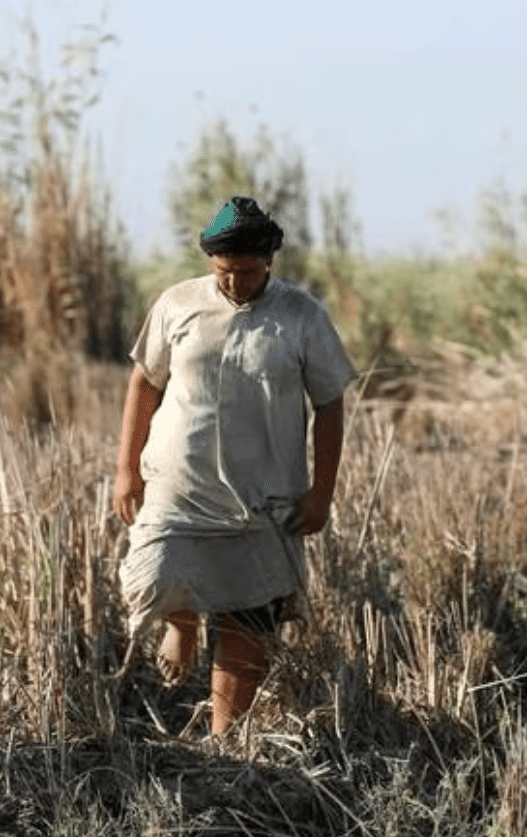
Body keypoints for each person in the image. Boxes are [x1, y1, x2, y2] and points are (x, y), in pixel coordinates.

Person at [114, 196, 358, 737]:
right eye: (225, 271)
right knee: (153, 575)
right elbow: (144, 382)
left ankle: (224, 739)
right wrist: (126, 470)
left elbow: (331, 404)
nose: (236, 283)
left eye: (248, 272)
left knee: (248, 618)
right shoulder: (177, 305)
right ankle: (182, 623)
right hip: (179, 484)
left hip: (262, 497)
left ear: (269, 260)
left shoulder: (302, 316)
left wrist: (322, 494)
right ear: (209, 262)